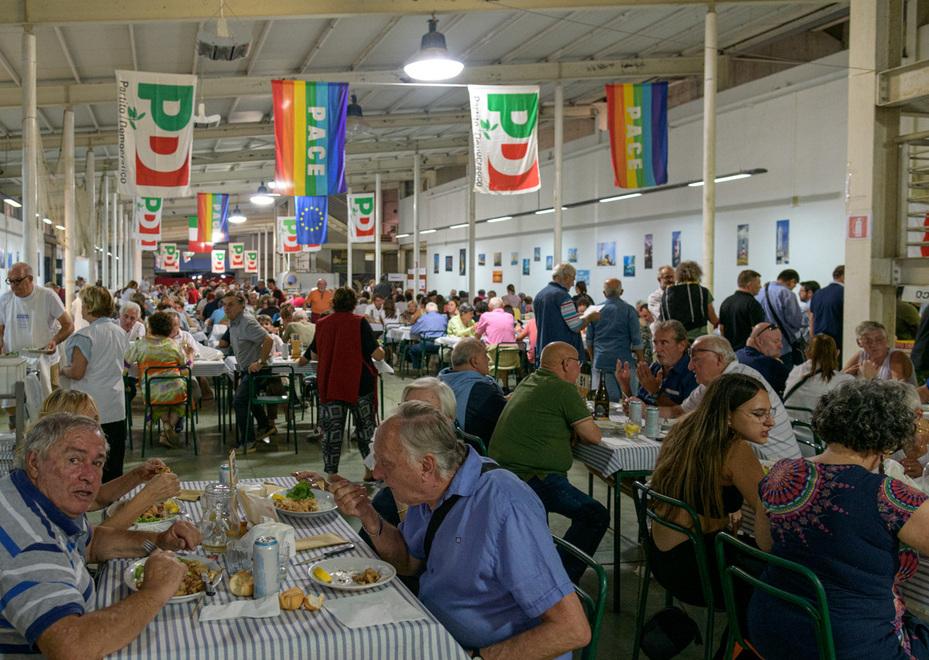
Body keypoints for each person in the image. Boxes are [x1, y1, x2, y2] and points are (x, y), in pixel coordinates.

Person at [328, 402, 591, 658]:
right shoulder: (430, 493)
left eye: (386, 463)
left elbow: (572, 629)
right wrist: (368, 514)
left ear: (426, 466)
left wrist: (477, 657)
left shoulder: (504, 505)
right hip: (435, 634)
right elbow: (408, 562)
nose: (375, 473)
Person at [747, 379, 929, 659]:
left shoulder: (779, 474)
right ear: (889, 439)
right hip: (848, 643)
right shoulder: (887, 495)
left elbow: (765, 543)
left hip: (772, 626)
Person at [0, 413, 200, 657]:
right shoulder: (30, 542)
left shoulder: (32, 495)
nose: (90, 476)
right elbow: (71, 648)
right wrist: (154, 592)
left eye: (97, 463)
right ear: (34, 462)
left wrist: (159, 540)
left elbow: (90, 543)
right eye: (74, 460)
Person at [647, 373, 773, 609]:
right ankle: (741, 644)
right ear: (727, 416)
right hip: (697, 572)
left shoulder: (684, 429)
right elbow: (768, 510)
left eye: (769, 412)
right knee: (786, 581)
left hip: (661, 558)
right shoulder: (735, 449)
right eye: (759, 414)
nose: (770, 422)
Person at [489, 341, 609, 582]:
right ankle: (561, 580)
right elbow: (594, 436)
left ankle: (550, 572)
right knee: (596, 516)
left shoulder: (530, 380)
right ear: (566, 364)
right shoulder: (563, 389)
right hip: (534, 477)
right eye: (578, 362)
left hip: (503, 474)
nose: (579, 368)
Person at [35, 389, 181, 531]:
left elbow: (96, 499)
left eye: (96, 420)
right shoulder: (51, 477)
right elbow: (92, 545)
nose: (97, 429)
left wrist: (138, 475)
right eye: (86, 423)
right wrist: (150, 496)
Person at [665, 335, 801, 460]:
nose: (690, 367)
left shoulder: (738, 382)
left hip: (777, 466)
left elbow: (712, 434)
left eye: (696, 360)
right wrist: (645, 410)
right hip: (755, 461)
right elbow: (679, 412)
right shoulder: (712, 383)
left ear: (719, 359)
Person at [298, 287, 382, 477]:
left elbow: (312, 354)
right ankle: (369, 470)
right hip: (360, 384)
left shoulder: (322, 324)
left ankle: (331, 473)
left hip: (332, 384)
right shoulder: (359, 323)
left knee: (332, 432)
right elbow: (377, 354)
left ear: (333, 302)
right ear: (353, 303)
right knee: (365, 430)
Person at [59, 286, 129, 481]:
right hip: (115, 403)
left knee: (90, 462)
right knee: (113, 464)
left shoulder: (85, 336)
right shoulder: (119, 332)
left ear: (89, 307)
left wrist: (62, 370)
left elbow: (77, 372)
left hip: (89, 406)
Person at [0, 262, 74, 393]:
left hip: (45, 360)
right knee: (14, 404)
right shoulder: (5, 299)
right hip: (14, 362)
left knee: (48, 403)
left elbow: (68, 325)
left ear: (30, 279)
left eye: (17, 281)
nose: (13, 286)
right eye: (10, 281)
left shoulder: (47, 296)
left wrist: (55, 341)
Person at [124, 311, 188, 449]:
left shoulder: (140, 345)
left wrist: (124, 377)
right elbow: (184, 366)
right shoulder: (174, 345)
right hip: (177, 390)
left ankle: (166, 426)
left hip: (153, 391)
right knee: (179, 399)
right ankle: (169, 429)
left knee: (159, 399)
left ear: (151, 328)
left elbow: (126, 363)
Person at [222, 292, 278, 449]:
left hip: (260, 371)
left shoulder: (247, 322)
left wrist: (260, 362)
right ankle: (265, 426)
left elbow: (268, 339)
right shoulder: (234, 323)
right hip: (248, 370)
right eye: (225, 304)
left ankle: (248, 441)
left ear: (241, 305)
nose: (227, 308)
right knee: (247, 398)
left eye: (231, 304)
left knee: (239, 401)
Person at [438, 338, 508, 447]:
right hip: (476, 452)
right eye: (485, 355)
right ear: (474, 361)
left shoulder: (440, 381)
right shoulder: (482, 391)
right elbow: (508, 416)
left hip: (444, 445)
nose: (489, 360)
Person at [616, 320, 698, 406]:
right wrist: (625, 385)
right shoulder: (655, 367)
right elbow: (638, 405)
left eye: (664, 343)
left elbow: (683, 413)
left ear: (681, 345)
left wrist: (654, 392)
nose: (657, 350)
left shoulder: (692, 373)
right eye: (655, 343)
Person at [586, 278, 643, 402]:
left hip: (601, 362)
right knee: (629, 402)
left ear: (604, 293)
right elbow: (637, 340)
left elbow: (589, 341)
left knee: (603, 403)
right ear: (621, 292)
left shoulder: (594, 311)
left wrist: (593, 359)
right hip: (624, 363)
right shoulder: (629, 310)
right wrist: (641, 361)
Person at [533, 263, 599, 365]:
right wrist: (589, 317)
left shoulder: (539, 295)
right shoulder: (563, 297)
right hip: (563, 354)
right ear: (566, 277)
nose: (573, 284)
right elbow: (575, 326)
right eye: (573, 279)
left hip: (544, 350)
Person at [783, 334, 855, 421]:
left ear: (807, 352)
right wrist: (868, 377)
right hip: (817, 433)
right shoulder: (845, 381)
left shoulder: (795, 372)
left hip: (791, 430)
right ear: (837, 353)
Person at [659, 260, 718, 341]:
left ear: (678, 275)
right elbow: (713, 318)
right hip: (697, 339)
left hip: (675, 340)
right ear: (698, 273)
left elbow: (663, 319)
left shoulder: (667, 293)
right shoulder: (702, 292)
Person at [757, 268, 804, 368]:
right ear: (792, 281)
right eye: (795, 284)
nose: (794, 287)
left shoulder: (759, 292)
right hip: (783, 344)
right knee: (784, 377)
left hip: (762, 343)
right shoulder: (787, 293)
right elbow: (795, 320)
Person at [843, 320, 916, 384]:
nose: (873, 344)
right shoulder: (861, 355)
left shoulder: (897, 356)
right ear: (859, 343)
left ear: (887, 340)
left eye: (879, 339)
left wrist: (872, 378)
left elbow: (900, 390)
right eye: (867, 340)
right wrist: (846, 376)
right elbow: (837, 379)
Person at [736, 322, 791, 397]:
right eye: (776, 341)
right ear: (759, 342)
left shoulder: (736, 355)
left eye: (780, 341)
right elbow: (792, 386)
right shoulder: (770, 364)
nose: (781, 346)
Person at [717, 269, 764, 351]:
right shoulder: (753, 304)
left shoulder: (726, 302)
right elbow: (757, 331)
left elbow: (722, 328)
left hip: (730, 350)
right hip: (747, 351)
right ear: (749, 285)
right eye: (758, 283)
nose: (760, 286)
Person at [809, 265, 844, 351]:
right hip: (837, 341)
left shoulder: (818, 293)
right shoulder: (844, 293)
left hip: (818, 339)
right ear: (843, 276)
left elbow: (811, 317)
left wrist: (812, 337)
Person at [408, 301, 447, 370]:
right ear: (437, 309)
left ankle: (417, 368)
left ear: (426, 310)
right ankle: (439, 369)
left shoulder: (423, 318)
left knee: (412, 349)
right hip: (440, 345)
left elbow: (413, 331)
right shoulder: (443, 318)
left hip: (426, 345)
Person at [647, 265, 676, 333]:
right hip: (661, 333)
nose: (671, 280)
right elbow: (663, 316)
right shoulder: (654, 297)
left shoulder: (679, 293)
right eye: (667, 277)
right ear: (659, 279)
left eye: (672, 277)